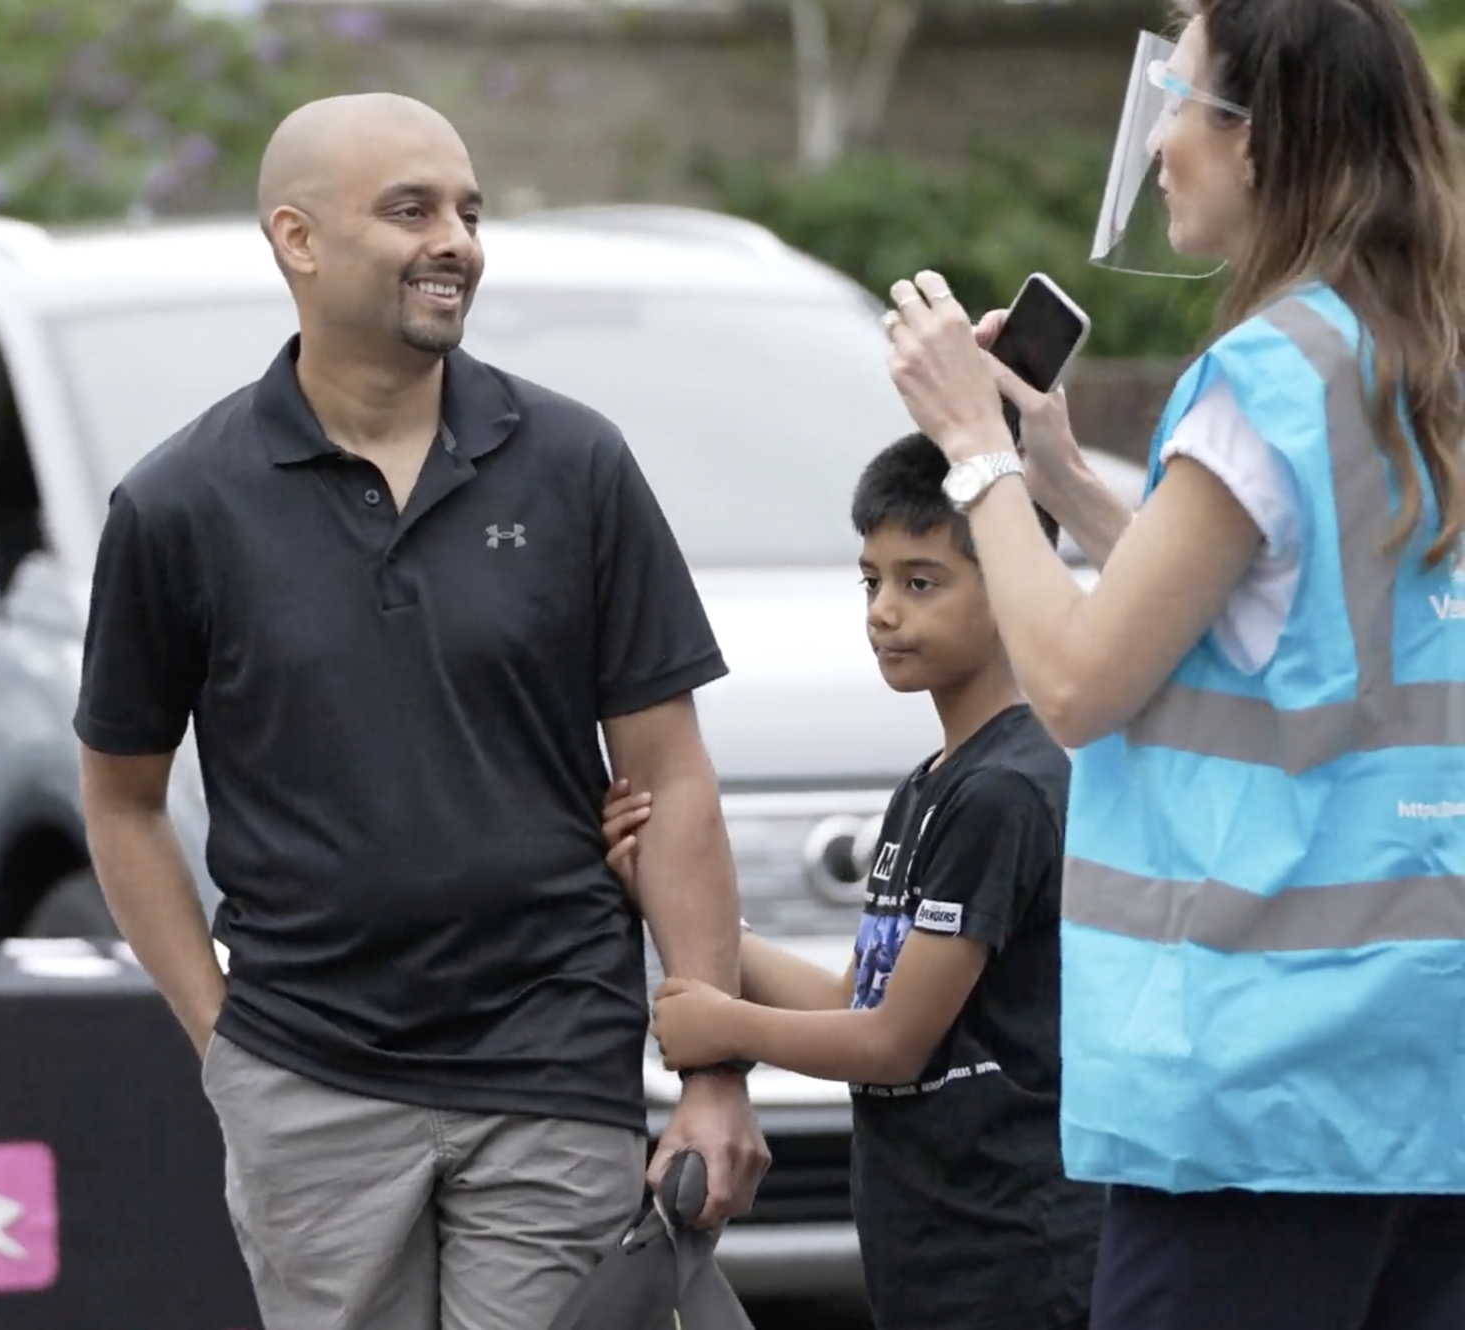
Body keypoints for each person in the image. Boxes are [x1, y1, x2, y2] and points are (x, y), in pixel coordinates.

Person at [73, 92, 767, 1330]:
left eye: (469, 212)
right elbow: (121, 801)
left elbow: (673, 777)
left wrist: (713, 1069)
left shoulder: (576, 464)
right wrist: (221, 1038)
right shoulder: (179, 504)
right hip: (308, 1077)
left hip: (554, 1056)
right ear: (297, 238)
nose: (457, 241)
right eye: (411, 210)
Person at [879, 0, 1465, 1324]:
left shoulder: (1262, 377)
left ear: (1265, 138)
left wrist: (975, 454)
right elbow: (1269, 612)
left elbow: (1076, 679)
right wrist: (1062, 478)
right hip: (1420, 1066)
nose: (1156, 143)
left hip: (1261, 1070)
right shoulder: (1410, 356)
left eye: (1181, 101)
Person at [619, 433, 1101, 1330]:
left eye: (921, 583)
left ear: (1011, 582)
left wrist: (724, 1025)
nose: (883, 612)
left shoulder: (1005, 791)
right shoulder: (931, 786)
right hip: (929, 1242)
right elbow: (855, 998)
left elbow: (892, 1044)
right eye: (871, 581)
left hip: (1015, 1253)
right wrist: (669, 898)